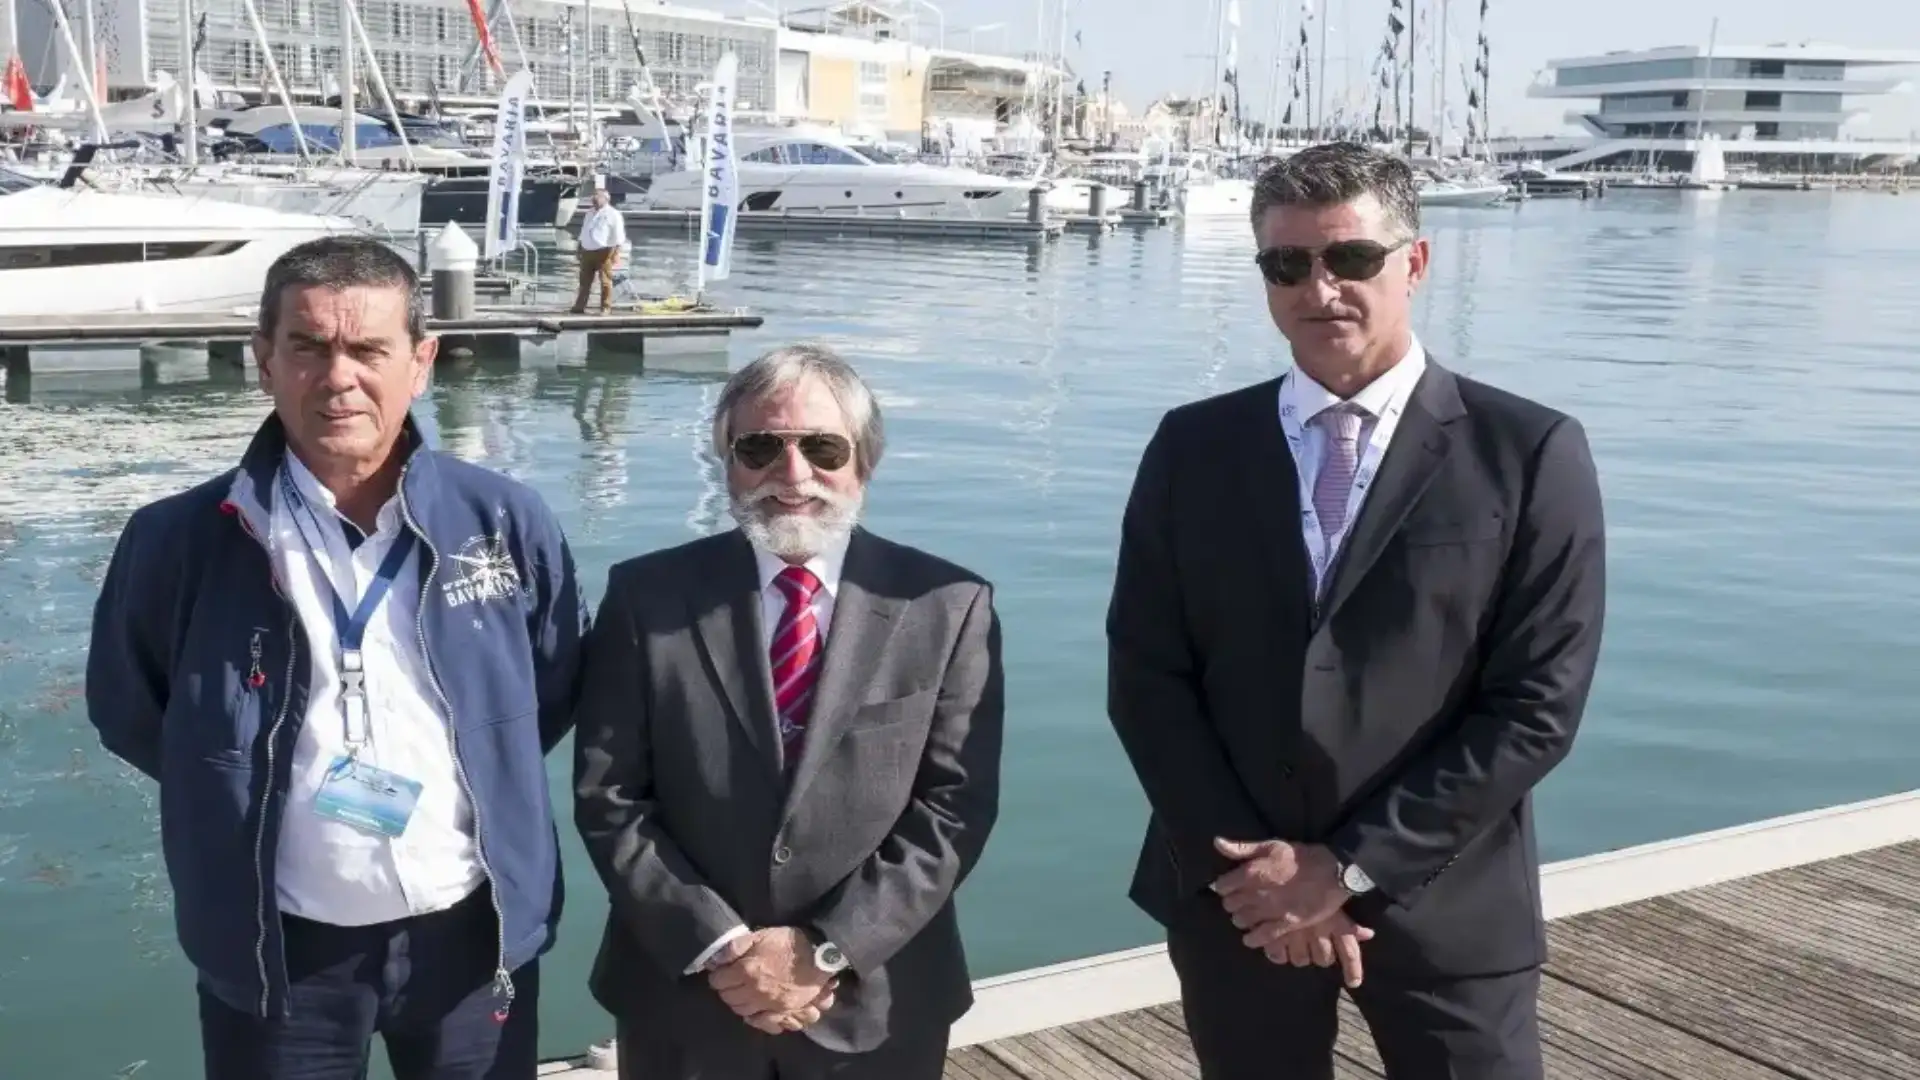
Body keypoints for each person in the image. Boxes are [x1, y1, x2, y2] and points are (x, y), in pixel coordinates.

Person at [1105, 142, 1607, 1080]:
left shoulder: (1530, 450)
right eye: (1286, 264)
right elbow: (1147, 677)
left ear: (1412, 264)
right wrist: (1255, 875)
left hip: (1446, 903)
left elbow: (1538, 703)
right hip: (1237, 899)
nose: (1319, 287)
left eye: (1351, 259)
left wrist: (1346, 868)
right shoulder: (1192, 448)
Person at [85, 236, 587, 1080]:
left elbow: (553, 685)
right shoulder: (175, 540)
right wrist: (239, 780)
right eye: (308, 347)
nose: (338, 376)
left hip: (473, 932)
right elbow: (132, 713)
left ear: (421, 361)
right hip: (278, 952)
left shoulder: (503, 520)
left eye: (368, 349)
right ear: (264, 360)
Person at [574, 344, 1004, 1080]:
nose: (793, 474)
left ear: (864, 462)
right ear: (727, 459)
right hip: (686, 998)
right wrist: (721, 946)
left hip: (877, 1002)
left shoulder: (948, 606)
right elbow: (610, 798)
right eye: (761, 446)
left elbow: (955, 809)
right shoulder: (646, 598)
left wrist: (830, 948)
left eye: (823, 448)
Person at [573, 187, 629, 315]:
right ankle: (579, 306)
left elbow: (619, 236)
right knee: (584, 281)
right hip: (587, 250)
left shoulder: (613, 214)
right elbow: (583, 231)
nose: (594, 199)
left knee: (605, 281)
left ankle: (605, 307)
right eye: (593, 196)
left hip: (604, 251)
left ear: (606, 198)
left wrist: (616, 253)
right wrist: (579, 247)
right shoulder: (589, 213)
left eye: (597, 196)